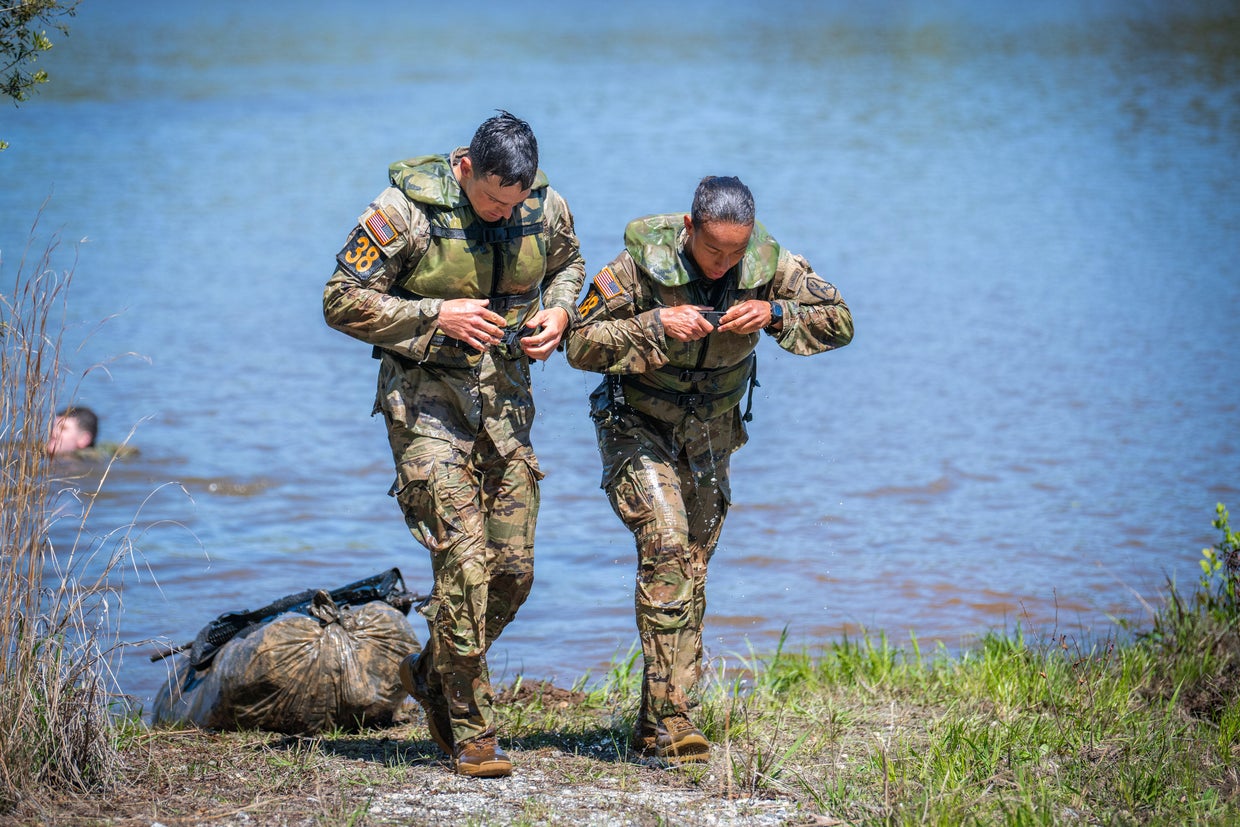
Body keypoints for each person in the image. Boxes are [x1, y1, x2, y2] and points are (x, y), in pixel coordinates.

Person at [322, 111, 585, 778]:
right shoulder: (404, 212)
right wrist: (435, 314)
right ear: (465, 168)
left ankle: (431, 671)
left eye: (514, 203)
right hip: (426, 405)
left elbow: (569, 264)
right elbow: (339, 300)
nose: (504, 214)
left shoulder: (545, 206)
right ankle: (471, 730)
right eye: (493, 201)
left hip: (506, 408)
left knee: (513, 572)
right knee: (465, 567)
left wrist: (559, 311)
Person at [564, 176, 853, 765]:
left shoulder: (771, 264)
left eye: (734, 252)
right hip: (636, 423)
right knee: (667, 546)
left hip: (712, 432)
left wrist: (775, 313)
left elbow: (840, 321)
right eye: (712, 249)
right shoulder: (638, 266)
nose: (723, 264)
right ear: (689, 228)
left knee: (692, 565)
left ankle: (655, 718)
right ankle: (674, 722)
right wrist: (655, 326)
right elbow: (579, 342)